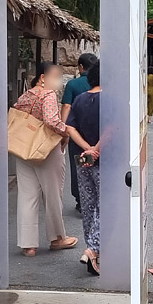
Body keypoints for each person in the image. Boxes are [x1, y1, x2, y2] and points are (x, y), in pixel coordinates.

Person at [12, 61, 78, 257]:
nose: (58, 81)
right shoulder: (48, 95)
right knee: (53, 196)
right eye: (55, 76)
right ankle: (57, 237)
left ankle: (28, 245)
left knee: (27, 196)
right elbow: (50, 120)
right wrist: (65, 132)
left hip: (23, 149)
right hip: (46, 151)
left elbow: (16, 111)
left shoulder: (26, 95)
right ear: (43, 77)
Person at [65, 57, 102, 275]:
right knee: (105, 204)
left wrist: (87, 148)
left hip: (82, 159)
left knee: (88, 206)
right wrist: (96, 149)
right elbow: (112, 129)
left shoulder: (79, 99)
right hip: (103, 159)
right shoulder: (111, 100)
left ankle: (92, 248)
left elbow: (69, 128)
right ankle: (93, 249)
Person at [61, 53, 98, 212]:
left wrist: (64, 132)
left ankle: (81, 201)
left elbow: (66, 107)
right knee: (99, 167)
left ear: (81, 67)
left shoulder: (73, 85)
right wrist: (94, 148)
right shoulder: (102, 87)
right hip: (98, 138)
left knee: (80, 169)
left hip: (79, 138)